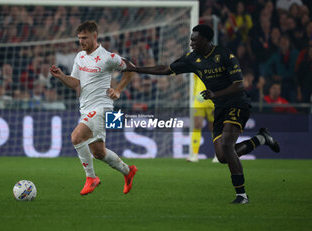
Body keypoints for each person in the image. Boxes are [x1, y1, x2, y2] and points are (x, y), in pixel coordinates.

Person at [124, 24, 280, 204]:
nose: (190, 43)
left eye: (194, 40)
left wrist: (215, 94)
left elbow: (239, 85)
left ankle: (242, 195)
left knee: (228, 145)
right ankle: (261, 139)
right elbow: (166, 69)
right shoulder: (192, 59)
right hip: (219, 107)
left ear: (205, 40)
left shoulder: (225, 55)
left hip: (237, 102)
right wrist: (136, 69)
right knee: (223, 156)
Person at [49, 21, 137, 196]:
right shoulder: (80, 57)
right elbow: (76, 83)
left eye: (85, 38)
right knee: (98, 152)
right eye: (80, 38)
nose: (82, 42)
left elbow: (131, 68)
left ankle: (91, 178)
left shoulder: (108, 57)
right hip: (86, 108)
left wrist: (118, 89)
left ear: (95, 36)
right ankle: (128, 171)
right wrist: (62, 77)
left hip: (102, 107)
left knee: (76, 137)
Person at [187, 74, 216, 163]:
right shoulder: (196, 65)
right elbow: (194, 82)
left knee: (214, 128)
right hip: (199, 100)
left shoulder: (216, 64)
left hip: (212, 100)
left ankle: (218, 154)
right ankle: (194, 155)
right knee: (197, 125)